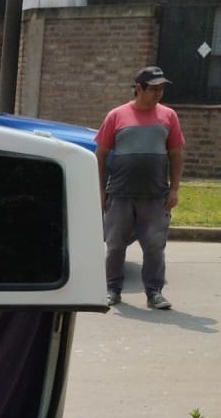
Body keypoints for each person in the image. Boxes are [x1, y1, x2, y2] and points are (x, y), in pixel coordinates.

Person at [95, 66, 185, 310]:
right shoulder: (116, 115)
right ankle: (112, 289)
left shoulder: (168, 116)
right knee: (115, 245)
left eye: (161, 88)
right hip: (120, 193)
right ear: (138, 88)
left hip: (156, 195)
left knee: (155, 246)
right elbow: (101, 154)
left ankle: (154, 292)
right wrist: (100, 189)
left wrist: (174, 189)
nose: (159, 93)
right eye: (154, 88)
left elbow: (176, 155)